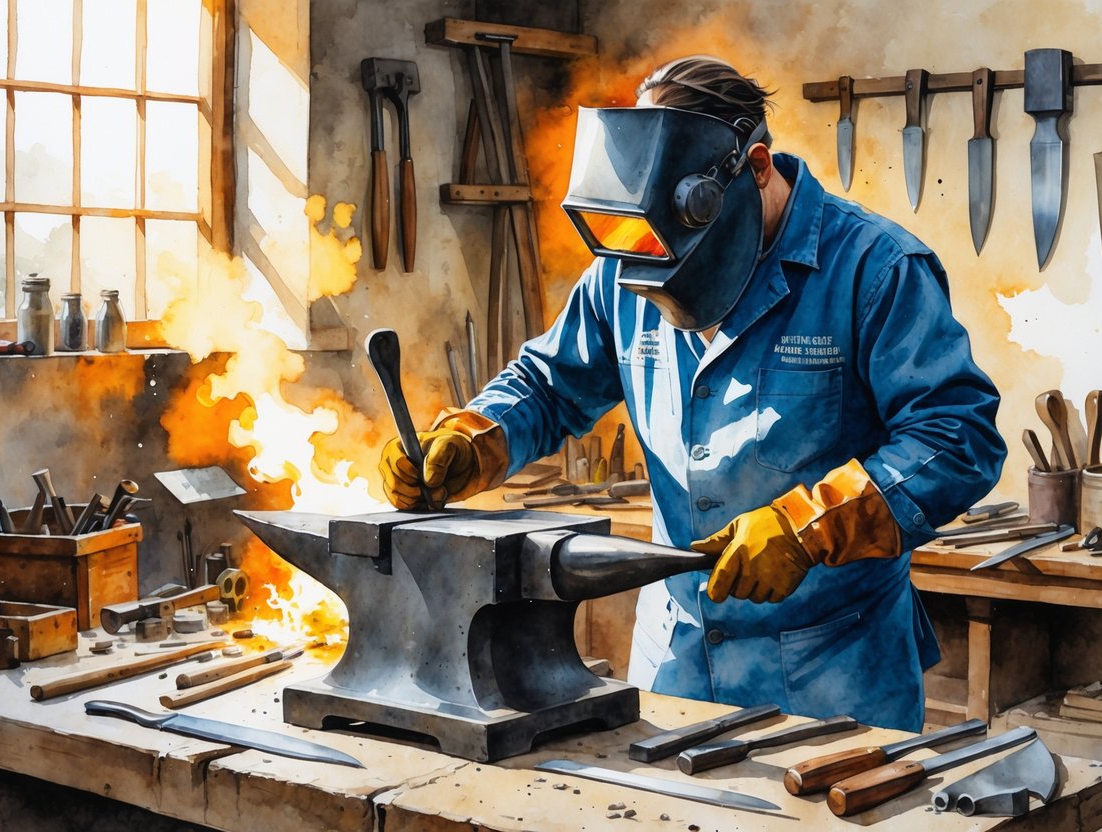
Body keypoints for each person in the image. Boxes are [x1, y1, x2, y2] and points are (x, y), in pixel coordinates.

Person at [378, 56, 1006, 731]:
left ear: (756, 168)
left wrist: (811, 523)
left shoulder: (873, 270)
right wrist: (479, 436)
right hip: (675, 657)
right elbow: (550, 385)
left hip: (833, 673)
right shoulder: (630, 259)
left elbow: (956, 438)